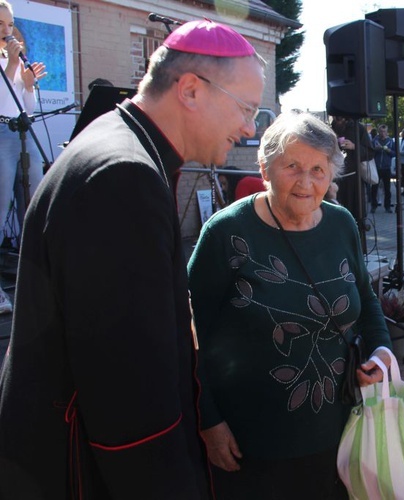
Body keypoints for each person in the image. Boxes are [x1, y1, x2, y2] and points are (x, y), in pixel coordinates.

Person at [0, 19, 265, 498]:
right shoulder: (125, 176)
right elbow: (129, 392)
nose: (249, 128)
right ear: (189, 89)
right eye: (247, 109)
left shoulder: (122, 145)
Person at [188, 111, 393, 499]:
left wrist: (381, 350)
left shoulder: (341, 223)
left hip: (334, 431)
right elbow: (190, 334)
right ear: (265, 168)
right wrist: (208, 420)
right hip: (250, 441)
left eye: (318, 169)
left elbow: (365, 297)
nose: (306, 182)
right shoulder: (226, 232)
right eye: (292, 166)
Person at [0, 0, 47, 267]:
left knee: (33, 205)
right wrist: (11, 67)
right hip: (1, 135)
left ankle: (32, 277)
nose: (7, 31)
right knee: (1, 204)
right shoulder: (10, 63)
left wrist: (28, 86)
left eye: (11, 24)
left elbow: (27, 107)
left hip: (23, 132)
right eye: (0, 24)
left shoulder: (14, 62)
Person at [331, 115, 374, 225]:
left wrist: (354, 147)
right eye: (335, 117)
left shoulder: (358, 128)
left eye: (339, 117)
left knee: (355, 216)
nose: (337, 119)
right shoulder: (329, 129)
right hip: (334, 180)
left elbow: (370, 153)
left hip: (353, 180)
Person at [370, 123, 395, 213]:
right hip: (376, 167)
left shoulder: (391, 141)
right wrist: (376, 149)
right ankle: (374, 205)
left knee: (387, 189)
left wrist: (387, 150)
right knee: (374, 188)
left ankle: (387, 206)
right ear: (378, 132)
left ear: (387, 132)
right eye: (381, 131)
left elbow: (394, 153)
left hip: (386, 168)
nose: (382, 133)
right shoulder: (374, 140)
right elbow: (370, 152)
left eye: (384, 131)